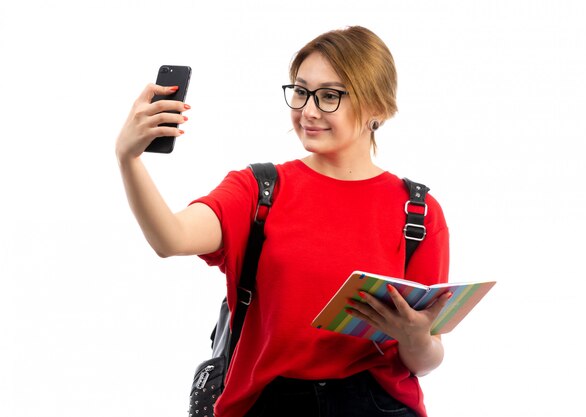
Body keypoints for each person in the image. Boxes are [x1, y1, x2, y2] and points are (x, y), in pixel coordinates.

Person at [116, 26, 450, 417]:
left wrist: (415, 337)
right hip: (270, 403)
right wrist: (128, 159)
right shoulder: (259, 190)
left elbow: (424, 361)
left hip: (376, 406)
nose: (308, 111)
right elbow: (170, 238)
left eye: (329, 96)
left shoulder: (419, 212)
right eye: (301, 91)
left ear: (378, 108)